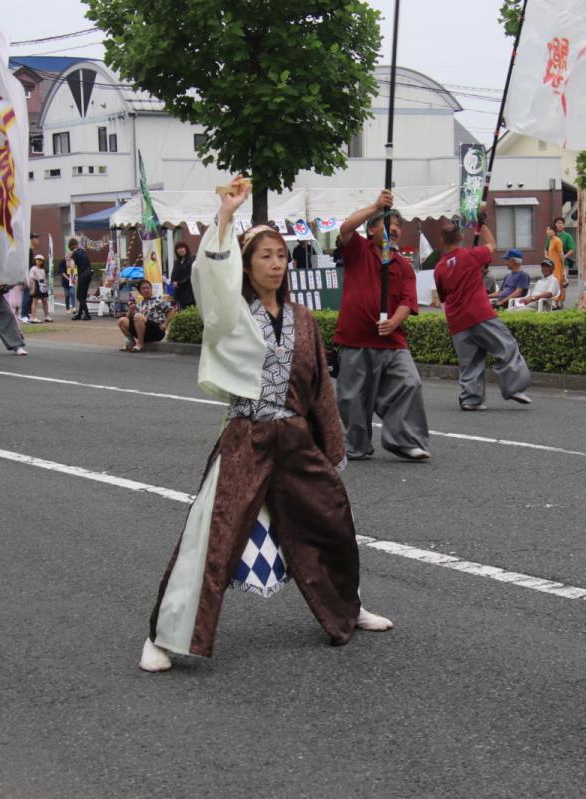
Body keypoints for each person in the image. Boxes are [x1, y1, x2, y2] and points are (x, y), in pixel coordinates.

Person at [139, 177, 392, 673]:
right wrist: (226, 216)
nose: (276, 264)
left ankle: (348, 607)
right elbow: (211, 280)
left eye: (281, 255)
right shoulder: (229, 314)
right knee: (212, 536)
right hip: (247, 436)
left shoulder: (303, 318)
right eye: (265, 256)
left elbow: (319, 388)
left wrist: (332, 445)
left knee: (333, 521)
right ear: (246, 264)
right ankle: (164, 636)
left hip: (295, 438)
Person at [333, 190, 430, 462]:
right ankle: (357, 445)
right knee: (353, 398)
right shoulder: (358, 250)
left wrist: (393, 322)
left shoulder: (403, 266)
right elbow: (346, 227)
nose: (395, 229)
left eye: (398, 226)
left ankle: (405, 441)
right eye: (389, 224)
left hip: (392, 341)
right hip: (355, 338)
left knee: (409, 382)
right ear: (372, 230)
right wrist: (376, 206)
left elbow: (408, 301)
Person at [432, 215, 532, 411]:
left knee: (470, 361)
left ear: (442, 240)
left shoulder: (439, 268)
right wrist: (481, 224)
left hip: (457, 319)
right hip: (480, 313)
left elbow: (443, 296)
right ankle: (514, 387)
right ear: (461, 237)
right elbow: (492, 244)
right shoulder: (472, 255)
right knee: (507, 346)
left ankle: (471, 398)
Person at [116, 280, 175, 351]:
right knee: (122, 320)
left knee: (138, 316)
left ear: (151, 289)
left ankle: (140, 344)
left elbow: (172, 310)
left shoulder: (159, 301)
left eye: (148, 288)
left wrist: (165, 324)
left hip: (156, 331)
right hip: (142, 331)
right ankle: (132, 343)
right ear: (140, 292)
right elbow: (128, 318)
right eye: (143, 288)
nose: (146, 290)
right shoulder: (139, 304)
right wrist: (130, 310)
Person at [69, 238, 93, 320]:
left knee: (79, 296)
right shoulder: (83, 251)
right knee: (83, 296)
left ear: (71, 246)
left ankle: (87, 314)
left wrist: (72, 278)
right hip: (89, 274)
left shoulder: (74, 254)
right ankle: (79, 314)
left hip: (82, 275)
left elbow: (72, 267)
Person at [170, 241, 196, 308]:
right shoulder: (177, 262)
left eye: (182, 248)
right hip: (178, 292)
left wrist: (180, 283)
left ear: (186, 248)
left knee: (190, 310)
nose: (180, 250)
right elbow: (173, 274)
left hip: (189, 291)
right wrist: (173, 282)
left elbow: (191, 274)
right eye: (178, 248)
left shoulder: (192, 259)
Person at [28, 255, 53, 323]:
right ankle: (34, 317)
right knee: (35, 301)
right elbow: (31, 279)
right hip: (36, 284)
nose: (39, 261)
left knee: (45, 301)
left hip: (43, 284)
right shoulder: (33, 268)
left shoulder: (42, 269)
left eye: (41, 260)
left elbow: (44, 278)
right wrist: (33, 288)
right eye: (38, 260)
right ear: (35, 261)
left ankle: (47, 316)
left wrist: (45, 286)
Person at [23, 233, 40, 321]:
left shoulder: (29, 250)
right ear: (31, 240)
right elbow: (27, 265)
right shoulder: (28, 250)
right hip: (27, 276)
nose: (38, 240)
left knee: (29, 295)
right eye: (36, 238)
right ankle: (24, 315)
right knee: (27, 294)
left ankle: (27, 314)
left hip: (28, 275)